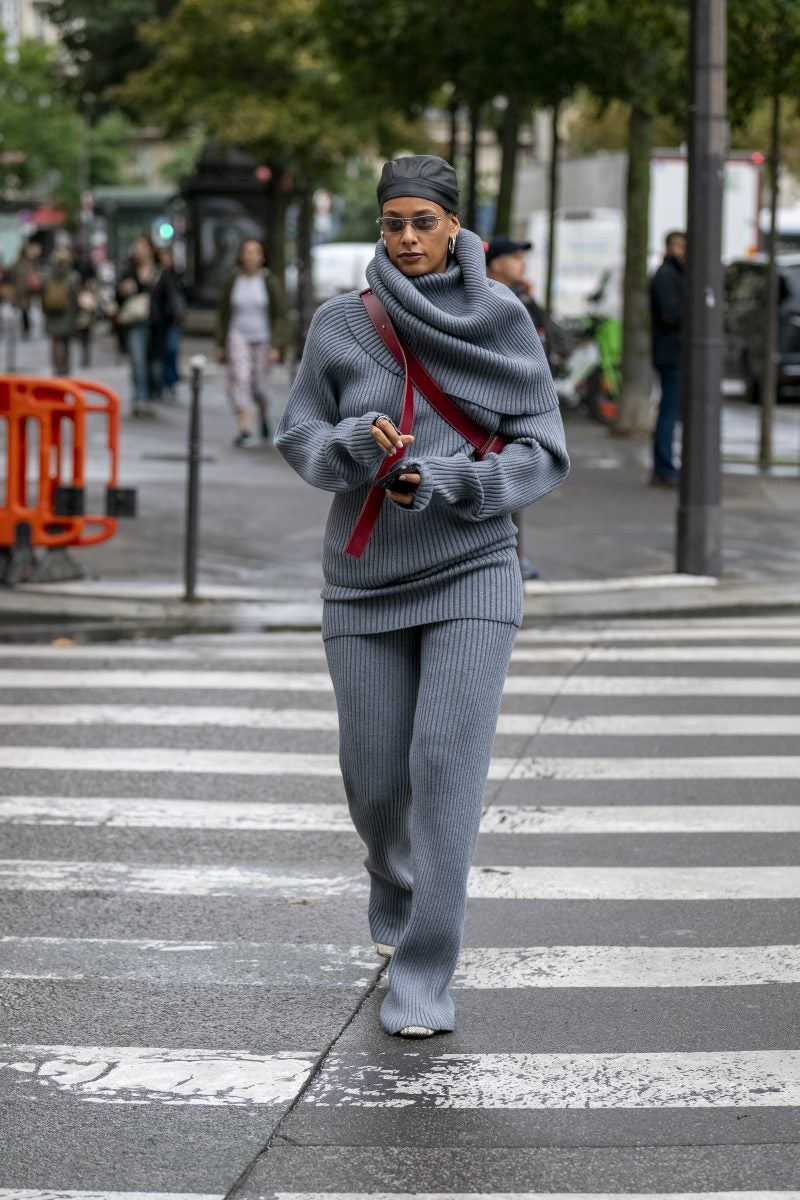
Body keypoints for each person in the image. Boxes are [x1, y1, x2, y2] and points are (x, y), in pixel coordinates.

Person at [275, 154, 569, 1038]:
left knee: (443, 767)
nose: (406, 238)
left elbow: (542, 450)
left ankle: (425, 969)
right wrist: (356, 452)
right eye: (393, 222)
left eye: (423, 223)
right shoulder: (341, 326)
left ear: (454, 227)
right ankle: (397, 890)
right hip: (365, 580)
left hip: (474, 568)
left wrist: (454, 480)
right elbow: (301, 436)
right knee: (374, 783)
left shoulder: (499, 315)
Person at [486, 234, 547, 580]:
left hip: (526, 402)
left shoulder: (522, 295)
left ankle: (513, 557)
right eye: (514, 256)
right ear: (496, 264)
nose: (521, 261)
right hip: (503, 405)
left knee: (518, 479)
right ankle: (507, 559)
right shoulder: (490, 298)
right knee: (503, 479)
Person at [216, 238, 288, 447]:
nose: (251, 256)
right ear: (240, 256)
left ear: (262, 257)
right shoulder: (233, 281)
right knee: (240, 378)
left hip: (263, 338)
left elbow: (281, 315)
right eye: (247, 252)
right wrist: (220, 344)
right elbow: (223, 314)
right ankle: (245, 428)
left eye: (255, 252)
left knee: (259, 385)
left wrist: (276, 345)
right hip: (237, 335)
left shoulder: (269, 281)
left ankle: (264, 414)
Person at [649, 230, 686, 487]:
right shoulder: (667, 275)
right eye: (678, 245)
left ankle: (666, 466)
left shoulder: (675, 274)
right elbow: (670, 313)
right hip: (671, 353)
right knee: (669, 412)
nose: (682, 251)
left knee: (673, 411)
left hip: (674, 352)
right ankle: (664, 468)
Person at [116, 233, 161, 417]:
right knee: (138, 362)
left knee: (154, 365)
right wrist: (123, 290)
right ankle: (140, 398)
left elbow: (170, 296)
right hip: (135, 323)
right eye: (136, 247)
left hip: (157, 324)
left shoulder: (160, 271)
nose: (139, 250)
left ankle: (149, 395)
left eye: (142, 246)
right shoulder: (129, 271)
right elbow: (117, 296)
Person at [485, 234, 546, 338]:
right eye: (516, 257)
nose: (524, 263)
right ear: (496, 264)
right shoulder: (486, 302)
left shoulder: (524, 297)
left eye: (523, 257)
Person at [41, 246, 80, 376]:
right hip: (67, 312)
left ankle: (57, 367)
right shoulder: (72, 276)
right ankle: (65, 367)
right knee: (66, 341)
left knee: (56, 341)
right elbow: (75, 297)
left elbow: (43, 294)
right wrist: (77, 313)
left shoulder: (47, 276)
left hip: (52, 312)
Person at [154, 245, 187, 398]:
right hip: (158, 321)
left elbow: (185, 294)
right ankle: (162, 382)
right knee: (161, 352)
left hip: (173, 320)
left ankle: (171, 380)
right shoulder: (156, 275)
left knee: (172, 350)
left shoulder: (177, 275)